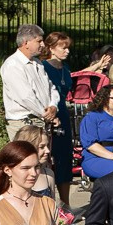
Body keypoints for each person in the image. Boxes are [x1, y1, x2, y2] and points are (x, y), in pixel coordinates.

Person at [0, 24, 60, 141]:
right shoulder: (13, 65)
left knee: (43, 158)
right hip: (24, 123)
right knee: (27, 158)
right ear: (26, 43)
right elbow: (25, 97)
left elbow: (51, 88)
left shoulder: (37, 63)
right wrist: (47, 115)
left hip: (42, 120)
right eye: (39, 41)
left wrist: (53, 106)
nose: (43, 44)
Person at [41, 33, 77, 208]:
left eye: (68, 47)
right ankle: (47, 202)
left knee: (65, 157)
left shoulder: (66, 67)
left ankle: (66, 203)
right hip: (50, 113)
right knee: (47, 156)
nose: (67, 50)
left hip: (63, 112)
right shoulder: (43, 66)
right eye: (63, 47)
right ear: (51, 48)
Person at [70, 45, 113, 109]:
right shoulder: (86, 79)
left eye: (105, 70)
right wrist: (98, 65)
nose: (102, 73)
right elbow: (79, 74)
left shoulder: (106, 80)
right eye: (100, 69)